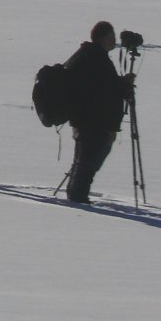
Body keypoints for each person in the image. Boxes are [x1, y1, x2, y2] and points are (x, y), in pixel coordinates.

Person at [64, 21, 135, 204]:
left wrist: (120, 84)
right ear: (103, 37)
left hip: (86, 118)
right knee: (89, 160)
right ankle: (77, 196)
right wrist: (122, 87)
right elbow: (103, 92)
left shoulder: (90, 55)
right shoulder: (96, 58)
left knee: (85, 159)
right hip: (93, 121)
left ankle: (76, 193)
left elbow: (102, 85)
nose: (114, 40)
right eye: (111, 36)